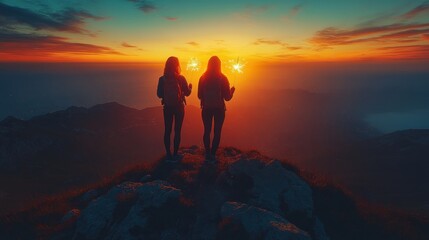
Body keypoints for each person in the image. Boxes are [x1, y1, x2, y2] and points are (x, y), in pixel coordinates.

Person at [198, 56, 235, 162]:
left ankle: (207, 153)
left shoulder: (203, 77)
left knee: (207, 130)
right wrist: (232, 91)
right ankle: (213, 154)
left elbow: (199, 96)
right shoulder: (223, 78)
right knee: (217, 131)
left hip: (206, 109)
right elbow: (227, 98)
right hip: (219, 109)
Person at [157, 56, 192, 162]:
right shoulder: (181, 78)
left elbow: (159, 94)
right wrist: (190, 87)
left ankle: (168, 154)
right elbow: (187, 93)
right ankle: (176, 153)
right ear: (177, 65)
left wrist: (166, 95)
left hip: (167, 107)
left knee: (167, 131)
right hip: (179, 107)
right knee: (177, 131)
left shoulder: (162, 79)